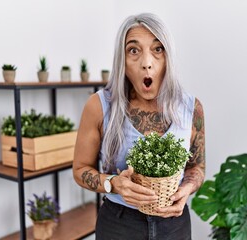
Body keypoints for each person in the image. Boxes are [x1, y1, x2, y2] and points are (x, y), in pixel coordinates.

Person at [73, 13, 205, 240]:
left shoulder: (192, 108)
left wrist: (186, 190)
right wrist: (114, 184)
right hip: (119, 224)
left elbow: (197, 168)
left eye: (158, 49)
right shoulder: (99, 106)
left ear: (168, 57)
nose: (147, 63)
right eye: (134, 50)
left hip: (175, 225)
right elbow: (80, 170)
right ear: (122, 60)